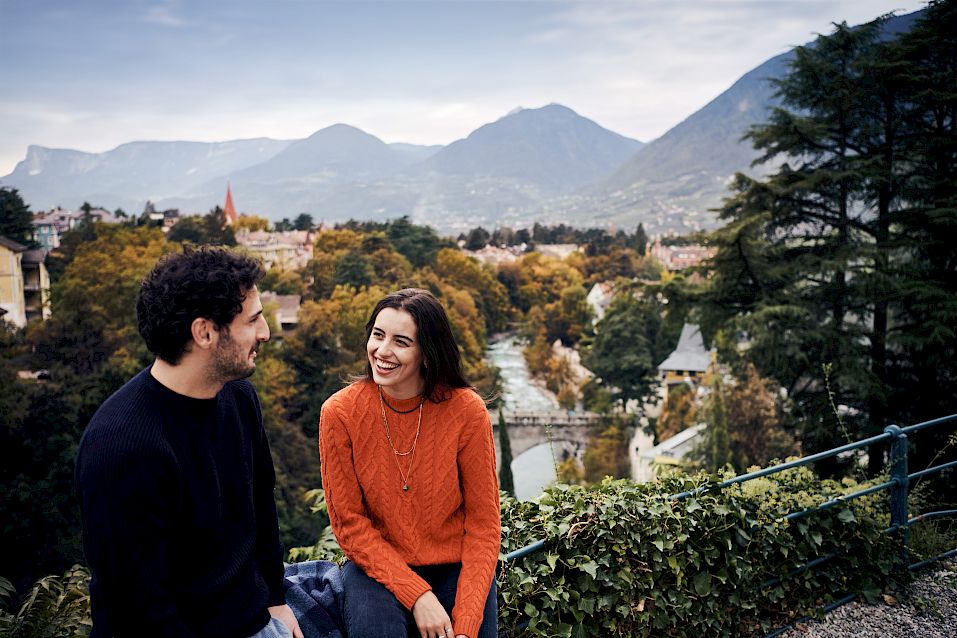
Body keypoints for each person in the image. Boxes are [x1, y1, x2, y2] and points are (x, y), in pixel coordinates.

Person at [75, 246, 303, 638]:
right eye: (253, 320)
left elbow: (263, 510)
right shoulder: (123, 448)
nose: (265, 333)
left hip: (257, 617)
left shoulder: (239, 397)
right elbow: (140, 610)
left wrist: (276, 600)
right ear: (205, 332)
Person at [319, 288, 500, 638]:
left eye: (401, 342)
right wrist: (417, 595)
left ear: (427, 353)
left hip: (454, 566)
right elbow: (350, 526)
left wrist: (465, 626)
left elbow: (483, 525)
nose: (382, 351)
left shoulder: (466, 411)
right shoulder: (339, 413)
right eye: (377, 335)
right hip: (376, 568)